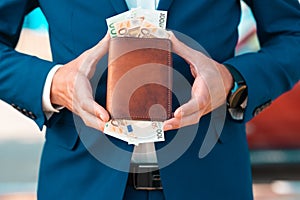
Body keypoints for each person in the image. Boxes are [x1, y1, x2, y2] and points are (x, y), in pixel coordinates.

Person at [0, 0, 299, 199]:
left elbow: (292, 34)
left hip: (210, 180)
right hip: (81, 183)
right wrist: (54, 84)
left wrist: (231, 82)